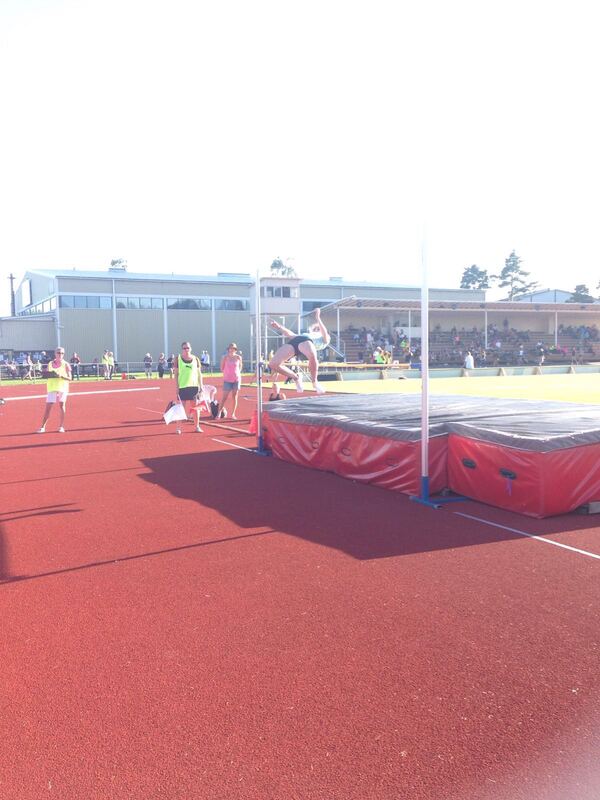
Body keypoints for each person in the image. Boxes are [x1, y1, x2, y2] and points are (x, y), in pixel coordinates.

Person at [268, 307, 331, 394]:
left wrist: (317, 317)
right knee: (273, 364)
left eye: (318, 329)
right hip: (297, 340)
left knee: (313, 356)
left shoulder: (325, 339)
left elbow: (324, 332)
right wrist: (279, 327)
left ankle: (315, 382)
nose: (316, 330)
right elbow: (291, 335)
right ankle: (296, 377)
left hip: (306, 342)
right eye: (315, 329)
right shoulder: (307, 334)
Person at [37, 347, 72, 433]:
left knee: (62, 405)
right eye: (58, 353)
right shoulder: (50, 363)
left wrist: (61, 376)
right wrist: (44, 374)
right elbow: (47, 374)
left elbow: (70, 378)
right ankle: (42, 427)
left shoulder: (66, 364)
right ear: (55, 354)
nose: (60, 355)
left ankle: (61, 426)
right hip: (52, 387)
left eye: (62, 353)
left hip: (62, 387)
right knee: (48, 407)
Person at [173, 341, 204, 432]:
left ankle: (197, 426)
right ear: (182, 349)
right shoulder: (178, 359)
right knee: (180, 408)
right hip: (182, 387)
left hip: (194, 387)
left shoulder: (196, 359)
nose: (186, 350)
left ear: (191, 348)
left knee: (195, 408)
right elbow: (176, 375)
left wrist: (201, 386)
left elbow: (199, 374)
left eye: (188, 348)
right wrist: (177, 387)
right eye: (184, 348)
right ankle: (178, 428)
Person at [219, 343, 243, 420]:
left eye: (233, 348)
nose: (232, 349)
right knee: (224, 397)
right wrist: (227, 373)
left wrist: (237, 373)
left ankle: (233, 414)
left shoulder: (238, 357)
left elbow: (240, 366)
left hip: (236, 379)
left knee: (234, 397)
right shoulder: (225, 357)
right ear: (228, 349)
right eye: (230, 348)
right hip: (227, 380)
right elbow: (221, 368)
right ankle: (219, 413)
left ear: (235, 350)